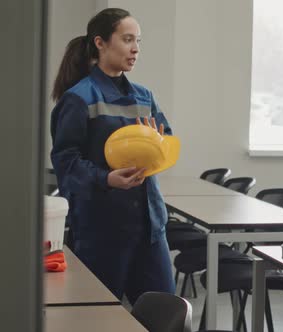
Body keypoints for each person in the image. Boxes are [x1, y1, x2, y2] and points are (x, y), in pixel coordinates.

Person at [50, 8, 175, 305]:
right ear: (100, 43)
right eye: (127, 39)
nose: (135, 49)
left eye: (139, 41)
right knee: (97, 317)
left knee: (164, 315)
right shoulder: (79, 98)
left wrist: (158, 145)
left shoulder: (145, 96)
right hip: (102, 232)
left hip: (150, 228)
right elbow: (65, 161)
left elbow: (167, 141)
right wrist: (105, 178)